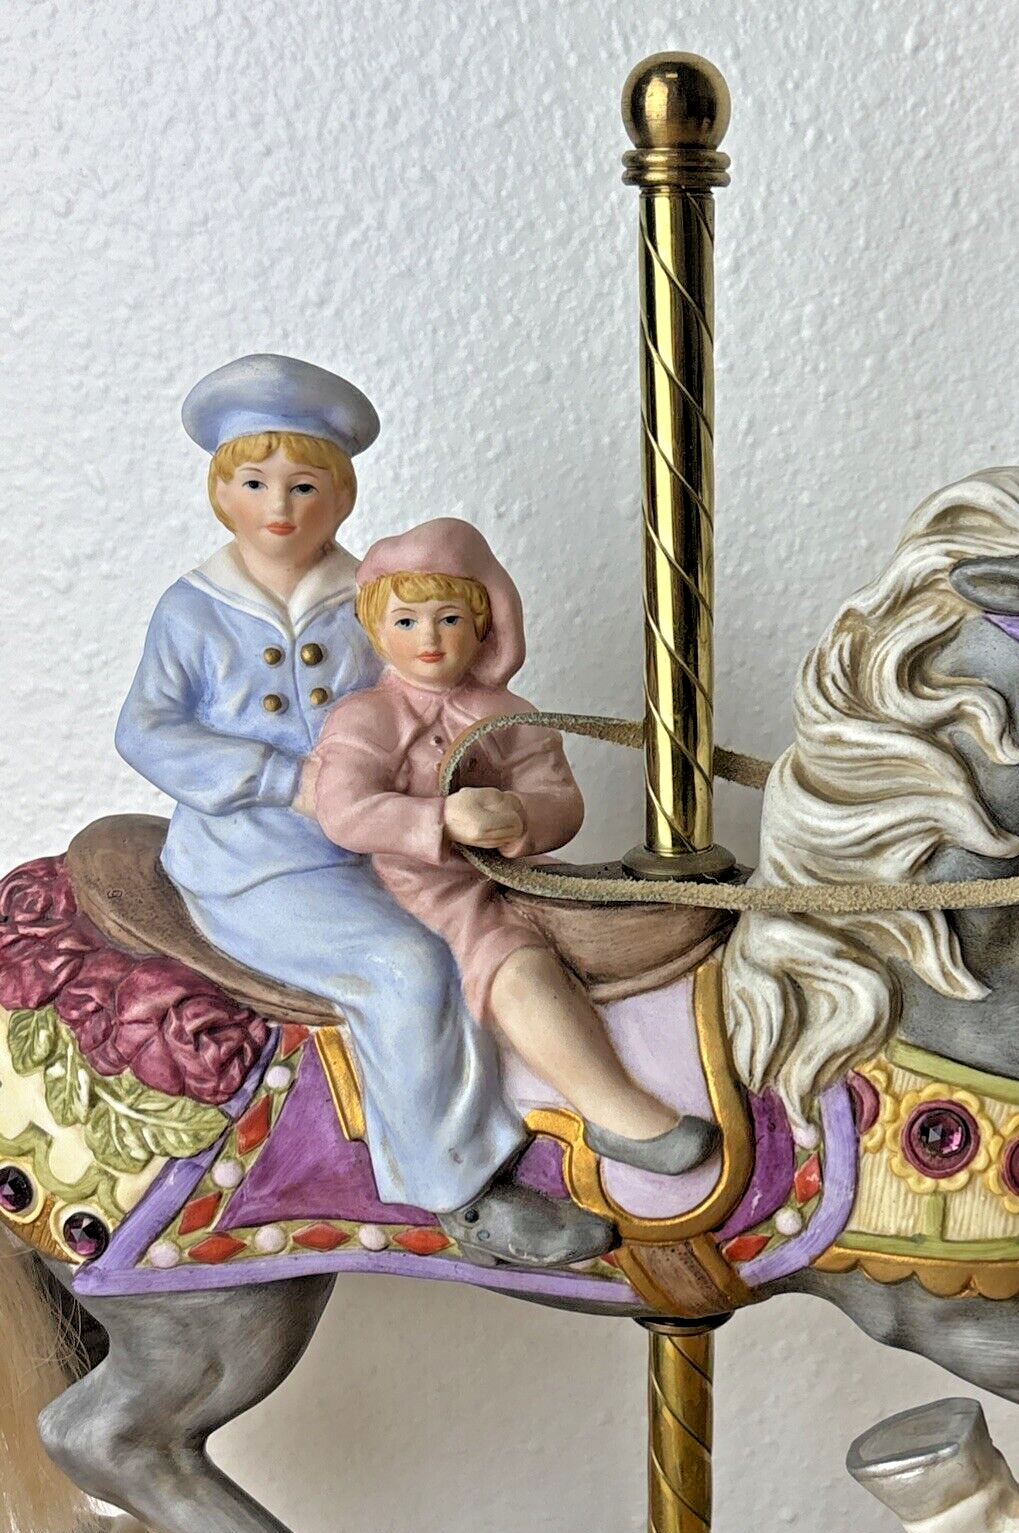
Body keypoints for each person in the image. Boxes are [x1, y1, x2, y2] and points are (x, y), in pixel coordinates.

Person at [115, 354, 614, 1268]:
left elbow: (438, 698)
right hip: (258, 863)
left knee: (512, 937)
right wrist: (279, 780)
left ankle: (600, 1114)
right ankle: (460, 1189)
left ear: (341, 497)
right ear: (220, 493)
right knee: (408, 966)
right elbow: (146, 729)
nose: (280, 506)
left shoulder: (375, 601)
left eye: (305, 486)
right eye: (254, 483)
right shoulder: (193, 609)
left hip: (391, 850)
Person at [310, 517, 720, 1178]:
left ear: (484, 626)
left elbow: (560, 799)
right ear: (378, 632)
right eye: (406, 622)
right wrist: (440, 820)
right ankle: (612, 1110)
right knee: (512, 960)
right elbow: (344, 810)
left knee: (608, 924)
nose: (429, 639)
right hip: (421, 890)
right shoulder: (367, 718)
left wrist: (521, 816)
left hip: (515, 874)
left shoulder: (507, 713)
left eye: (449, 619)